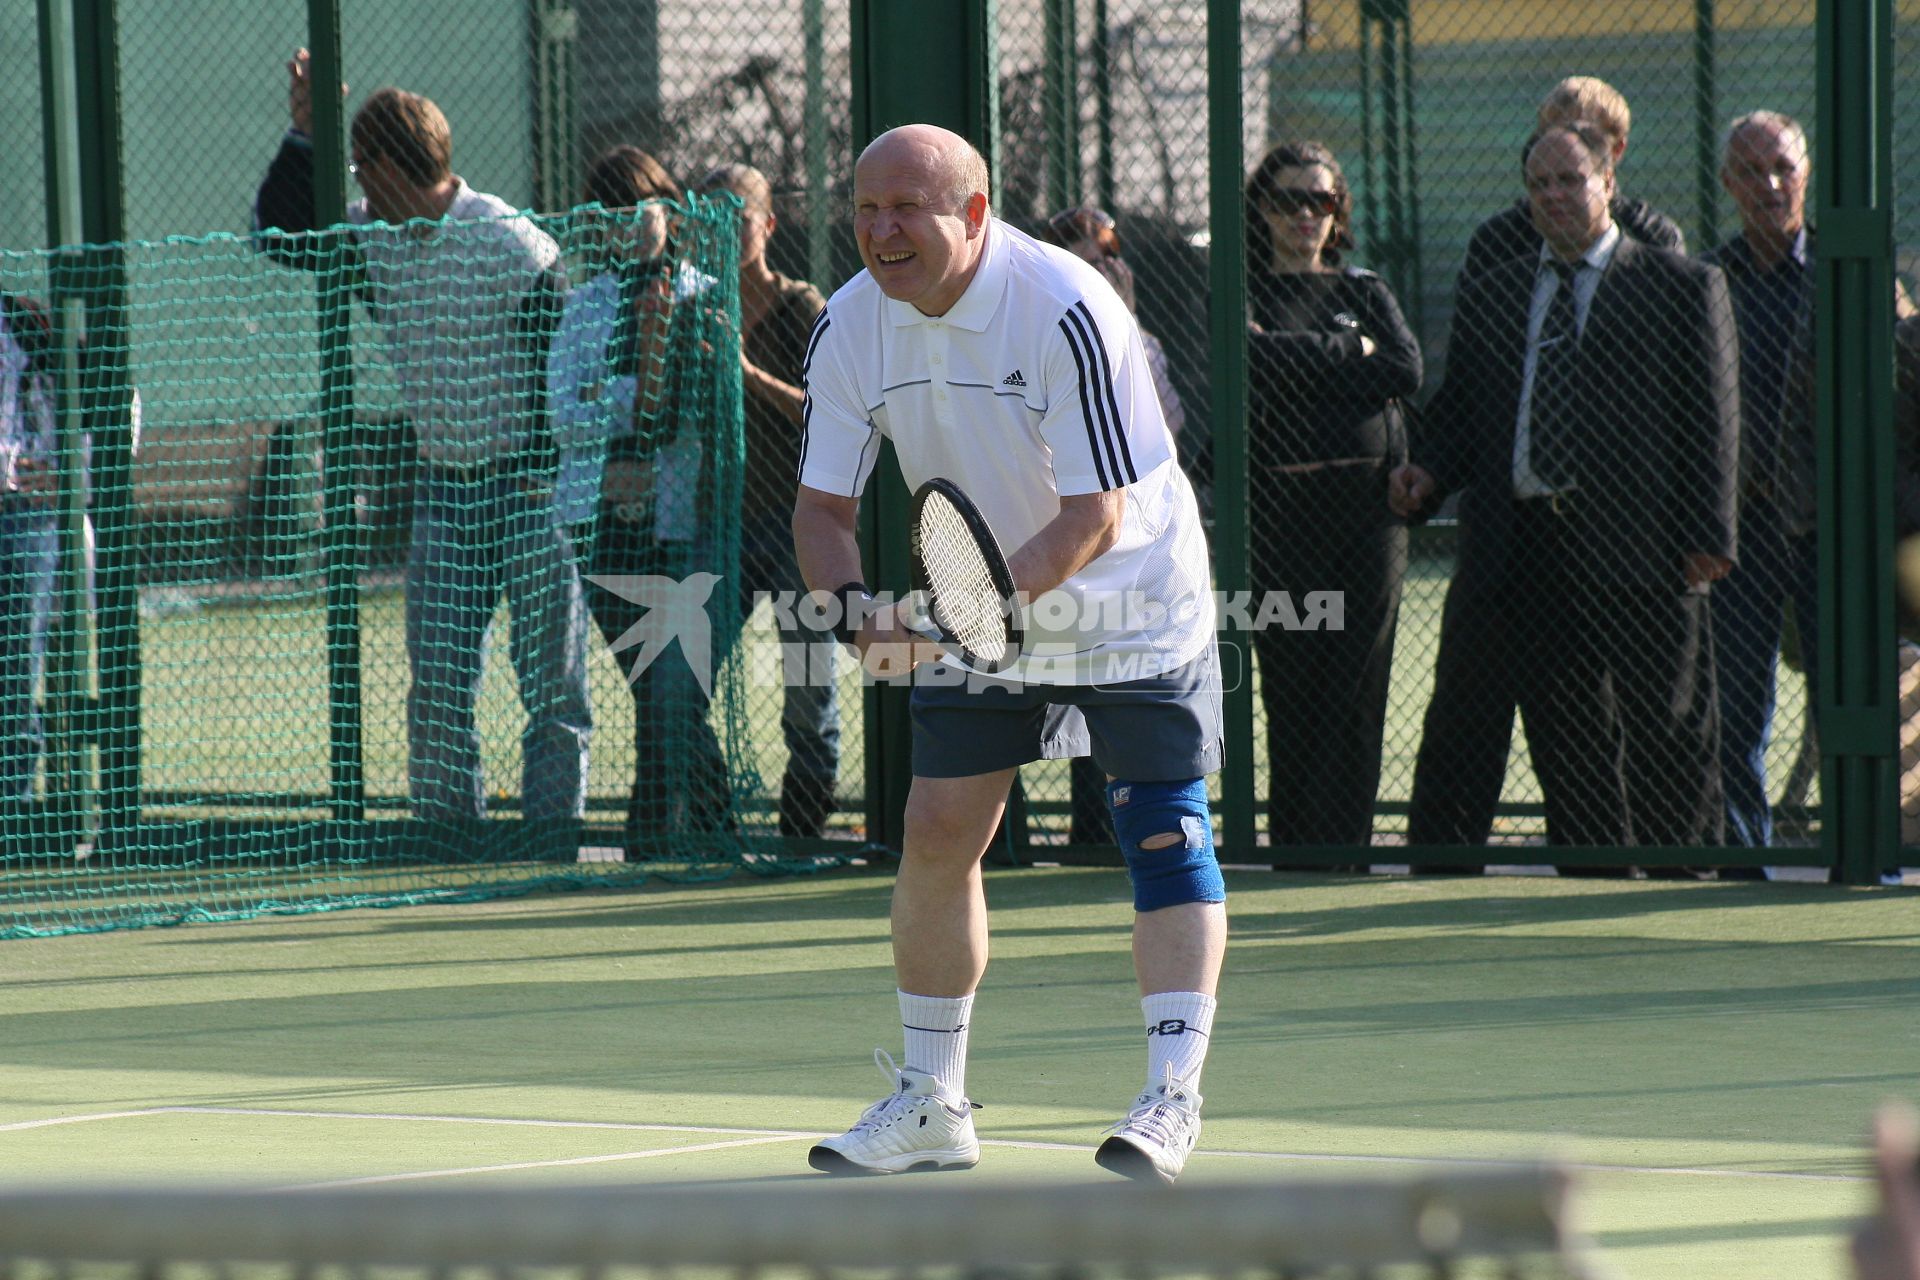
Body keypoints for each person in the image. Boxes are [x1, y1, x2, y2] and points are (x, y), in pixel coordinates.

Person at [794, 124, 1224, 1183]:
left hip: (1130, 595)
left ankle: (1171, 1099)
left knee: (1160, 828)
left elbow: (1096, 514)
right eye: (866, 210)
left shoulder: (1066, 307)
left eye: (910, 209)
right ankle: (933, 1101)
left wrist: (958, 608)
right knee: (938, 826)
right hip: (981, 598)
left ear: (976, 214)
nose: (882, 232)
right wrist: (858, 613)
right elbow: (821, 508)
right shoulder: (850, 324)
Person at [253, 49, 592, 828]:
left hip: (529, 491)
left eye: (358, 166)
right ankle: (450, 841)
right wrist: (305, 133)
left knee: (552, 686)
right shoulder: (373, 235)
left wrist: (549, 472)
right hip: (443, 488)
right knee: (437, 685)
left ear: (390, 168)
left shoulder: (509, 240)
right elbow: (276, 235)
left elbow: (567, 364)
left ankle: (551, 845)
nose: (355, 184)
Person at [1389, 120, 1740, 852]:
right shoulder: (1495, 292)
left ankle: (1684, 877)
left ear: (1608, 181)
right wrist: (1430, 471)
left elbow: (1713, 415)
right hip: (1527, 546)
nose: (1553, 195)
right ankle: (1593, 869)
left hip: (1646, 544)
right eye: (1539, 184)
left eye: (1569, 179)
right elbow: (1464, 410)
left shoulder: (1682, 284)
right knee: (1569, 730)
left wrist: (1711, 532)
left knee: (1668, 722)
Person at [549, 145, 733, 851]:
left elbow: (694, 410)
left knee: (667, 685)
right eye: (608, 213)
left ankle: (664, 830)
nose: (624, 224)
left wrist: (610, 397)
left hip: (677, 523)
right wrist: (623, 398)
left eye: (637, 207)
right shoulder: (585, 304)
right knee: (647, 680)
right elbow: (562, 411)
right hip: (599, 523)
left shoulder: (703, 294)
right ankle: (689, 826)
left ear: (668, 209)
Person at [1242, 140, 1421, 849]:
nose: (1307, 215)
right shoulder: (1242, 290)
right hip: (1281, 519)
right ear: (1263, 206)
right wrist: (1352, 352)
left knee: (1357, 685)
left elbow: (1405, 369)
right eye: (1291, 200)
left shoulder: (1365, 288)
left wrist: (1301, 359)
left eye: (1322, 201)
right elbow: (1247, 361)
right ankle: (1295, 850)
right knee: (1292, 684)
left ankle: (1346, 849)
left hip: (1368, 519)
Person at [691, 162, 841, 839]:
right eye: (709, 221)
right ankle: (713, 820)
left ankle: (802, 834)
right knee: (680, 681)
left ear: (768, 225)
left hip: (798, 526)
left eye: (738, 219)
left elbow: (828, 413)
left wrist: (745, 372)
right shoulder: (694, 301)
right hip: (719, 524)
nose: (724, 233)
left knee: (808, 689)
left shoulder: (801, 306)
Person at [1035, 203, 1186, 846]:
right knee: (1063, 691)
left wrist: (1123, 321)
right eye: (1097, 255)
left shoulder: (1139, 340)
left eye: (1115, 252)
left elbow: (1165, 432)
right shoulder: (1044, 338)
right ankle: (1084, 835)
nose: (1114, 265)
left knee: (1128, 687)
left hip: (1139, 548)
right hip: (1063, 543)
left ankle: (1127, 831)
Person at [1699, 112, 1817, 855]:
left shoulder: (1851, 276)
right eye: (1750, 170)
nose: (1768, 184)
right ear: (1728, 184)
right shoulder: (1709, 281)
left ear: (1806, 172)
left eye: (1781, 167)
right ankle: (1747, 862)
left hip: (1829, 531)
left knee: (1848, 703)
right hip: (1737, 535)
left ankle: (1861, 859)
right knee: (1737, 708)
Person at [0, 294, 58, 810]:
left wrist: (65, 473)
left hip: (22, 515)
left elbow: (111, 398)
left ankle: (11, 798)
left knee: (15, 659)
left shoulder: (26, 320)